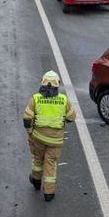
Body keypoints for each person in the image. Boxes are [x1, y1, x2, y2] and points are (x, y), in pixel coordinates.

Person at [22, 70, 76, 201]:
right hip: (56, 140)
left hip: (38, 137)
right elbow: (72, 117)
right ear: (57, 84)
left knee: (38, 159)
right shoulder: (63, 100)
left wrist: (30, 132)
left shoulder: (35, 99)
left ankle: (36, 180)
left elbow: (27, 119)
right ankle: (49, 193)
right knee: (50, 163)